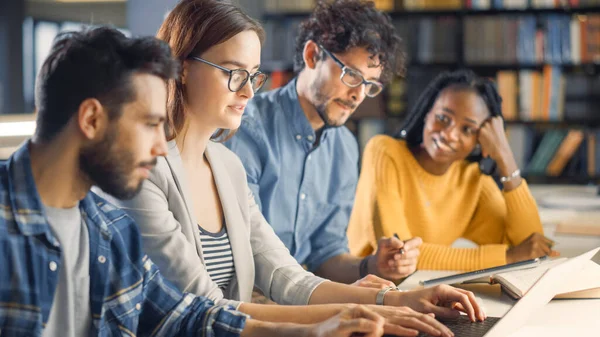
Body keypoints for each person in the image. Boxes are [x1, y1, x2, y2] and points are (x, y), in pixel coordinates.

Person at [0, 25, 417, 337]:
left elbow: (186, 314)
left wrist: (318, 327)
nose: (161, 148)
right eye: (148, 125)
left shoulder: (109, 230)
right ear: (91, 119)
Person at [106, 1, 485, 335]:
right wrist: (364, 310)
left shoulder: (226, 166)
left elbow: (285, 275)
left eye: (253, 75)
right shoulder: (142, 172)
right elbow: (201, 309)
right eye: (233, 73)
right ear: (182, 68)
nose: (249, 91)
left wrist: (401, 300)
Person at [224, 0, 421, 286]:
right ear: (312, 55)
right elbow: (246, 254)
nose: (358, 96)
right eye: (352, 75)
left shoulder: (345, 147)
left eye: (370, 85)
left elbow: (326, 255)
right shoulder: (246, 129)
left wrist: (373, 265)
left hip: (301, 299)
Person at [347, 69, 559, 272]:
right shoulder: (385, 152)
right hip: (359, 286)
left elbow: (530, 247)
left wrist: (505, 157)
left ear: (479, 140)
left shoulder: (472, 180)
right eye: (443, 118)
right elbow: (398, 253)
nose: (449, 134)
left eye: (467, 129)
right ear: (427, 114)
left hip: (418, 290)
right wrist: (508, 258)